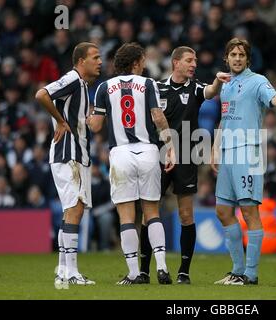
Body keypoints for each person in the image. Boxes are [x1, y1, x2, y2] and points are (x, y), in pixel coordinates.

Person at [138, 46, 230, 285]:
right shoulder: (156, 88)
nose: (194, 64)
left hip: (187, 156)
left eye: (196, 61)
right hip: (159, 155)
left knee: (186, 214)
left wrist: (218, 82)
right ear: (175, 62)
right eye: (189, 60)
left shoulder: (196, 87)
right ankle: (144, 271)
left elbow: (209, 92)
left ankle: (184, 272)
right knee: (149, 214)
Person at [87, 42, 176, 285]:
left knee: (126, 216)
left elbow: (95, 126)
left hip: (121, 154)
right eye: (143, 60)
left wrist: (85, 116)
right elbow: (158, 117)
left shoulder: (104, 87)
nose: (145, 64)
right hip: (147, 151)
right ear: (136, 62)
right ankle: (162, 268)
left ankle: (134, 273)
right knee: (152, 212)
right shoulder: (148, 84)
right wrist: (169, 147)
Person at [212, 38, 276, 285]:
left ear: (248, 59)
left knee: (249, 211)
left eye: (241, 55)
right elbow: (225, 119)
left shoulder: (257, 81)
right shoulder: (225, 84)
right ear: (227, 58)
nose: (237, 58)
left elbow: (272, 95)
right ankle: (237, 271)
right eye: (233, 54)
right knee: (223, 211)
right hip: (227, 152)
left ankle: (251, 274)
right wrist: (216, 147)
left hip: (248, 151)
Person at [35, 42, 102, 286]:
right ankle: (72, 273)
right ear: (81, 61)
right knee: (74, 209)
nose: (100, 61)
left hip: (78, 155)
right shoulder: (73, 78)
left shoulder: (84, 86)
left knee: (74, 210)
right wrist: (60, 121)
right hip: (68, 153)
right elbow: (41, 93)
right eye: (95, 57)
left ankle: (63, 269)